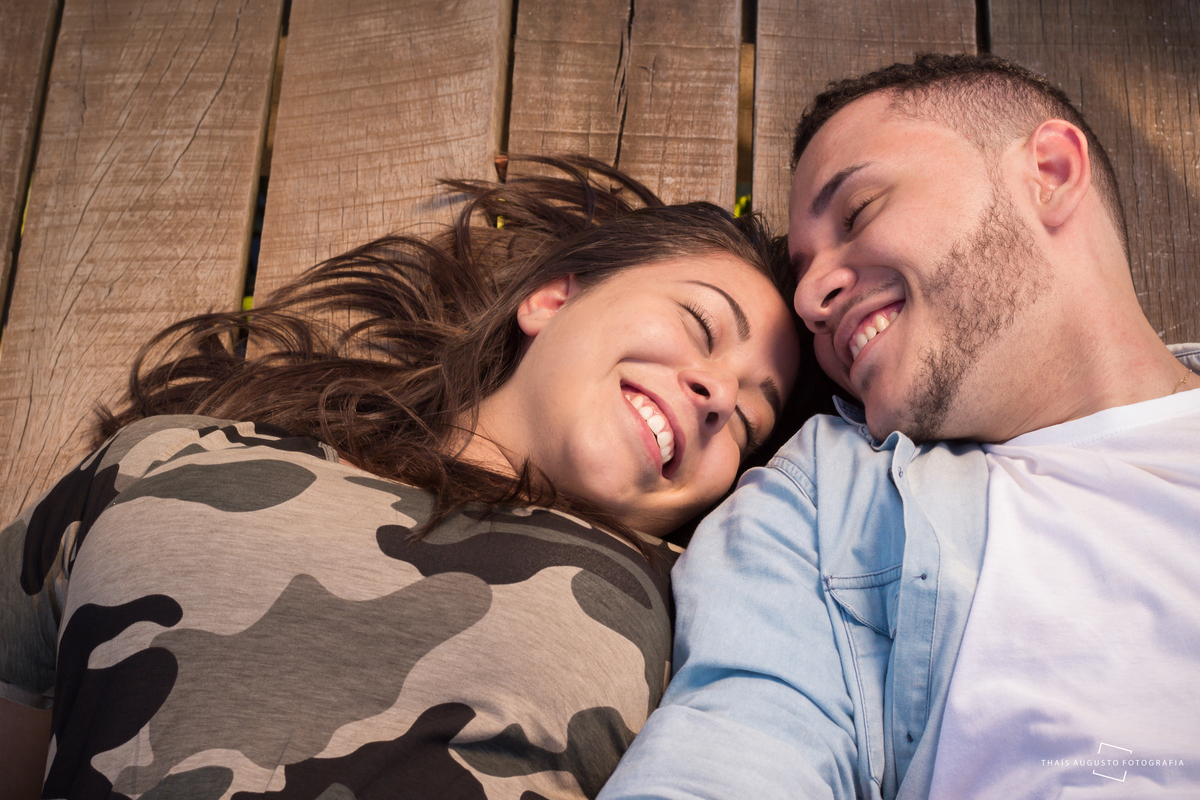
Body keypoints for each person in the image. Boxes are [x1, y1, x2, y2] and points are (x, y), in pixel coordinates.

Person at [0, 155, 818, 799]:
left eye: (749, 419)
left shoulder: (703, 611)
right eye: (701, 323)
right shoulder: (167, 456)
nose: (719, 395)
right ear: (551, 297)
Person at [598, 53, 1200, 800]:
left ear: (1047, 170)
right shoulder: (822, 509)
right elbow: (736, 743)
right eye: (805, 271)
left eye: (858, 212)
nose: (812, 297)